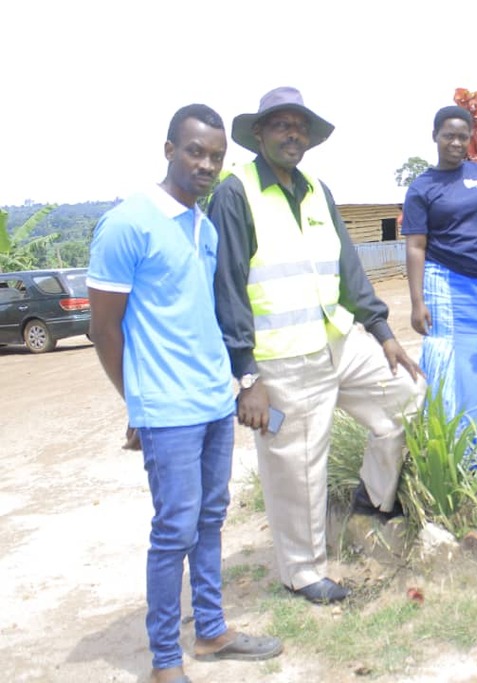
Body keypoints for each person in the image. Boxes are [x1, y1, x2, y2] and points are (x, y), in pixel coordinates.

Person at [208, 87, 426, 605]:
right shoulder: (235, 193)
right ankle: (302, 572)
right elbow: (226, 288)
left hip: (337, 341)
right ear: (259, 134)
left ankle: (372, 499)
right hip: (281, 359)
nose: (292, 133)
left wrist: (383, 333)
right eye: (280, 124)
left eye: (299, 125)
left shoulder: (316, 190)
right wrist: (246, 377)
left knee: (406, 398)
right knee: (298, 465)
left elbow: (348, 267)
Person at [88, 104, 282, 683]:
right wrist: (137, 405)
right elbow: (103, 330)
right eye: (195, 151)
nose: (206, 164)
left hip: (213, 402)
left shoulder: (206, 224)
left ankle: (213, 632)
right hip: (167, 410)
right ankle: (165, 661)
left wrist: (241, 381)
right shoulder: (128, 223)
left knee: (211, 518)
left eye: (216, 156)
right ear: (169, 149)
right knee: (174, 527)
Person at [401, 105, 477, 457]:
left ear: (471, 139)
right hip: (446, 283)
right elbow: (415, 246)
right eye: (448, 136)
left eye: (463, 137)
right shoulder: (422, 187)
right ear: (435, 137)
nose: (456, 142)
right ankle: (455, 452)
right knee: (450, 365)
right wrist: (416, 301)